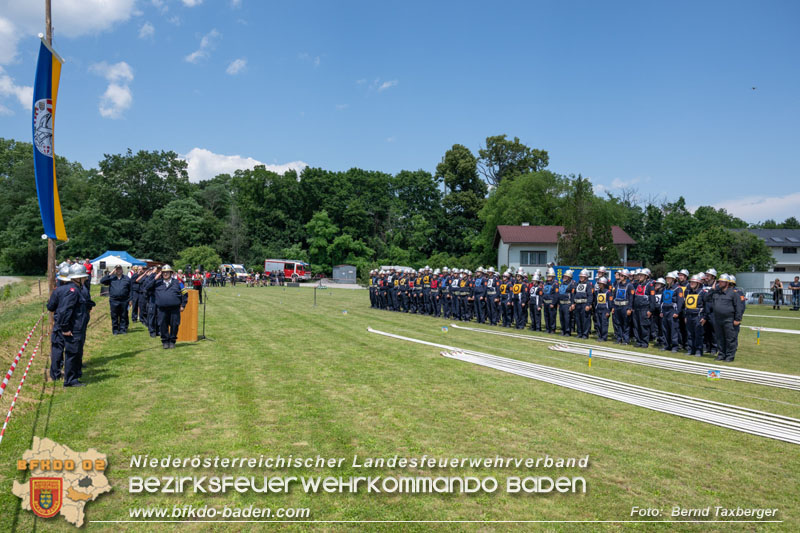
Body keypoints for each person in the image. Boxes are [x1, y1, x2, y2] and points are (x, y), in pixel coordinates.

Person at [60, 264, 91, 387]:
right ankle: (70, 380)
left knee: (77, 352)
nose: (85, 279)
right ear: (77, 278)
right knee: (72, 354)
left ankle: (75, 376)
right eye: (83, 277)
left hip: (79, 327)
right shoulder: (72, 291)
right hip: (73, 328)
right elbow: (65, 311)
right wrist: (65, 328)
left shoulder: (78, 290)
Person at [703, 273, 745, 362]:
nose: (720, 283)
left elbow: (738, 307)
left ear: (727, 283)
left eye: (722, 282)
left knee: (730, 338)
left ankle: (730, 356)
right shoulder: (716, 293)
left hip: (729, 319)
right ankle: (721, 354)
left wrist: (737, 319)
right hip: (718, 319)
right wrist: (712, 289)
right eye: (719, 282)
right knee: (720, 337)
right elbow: (706, 298)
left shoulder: (733, 294)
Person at [46, 264, 73, 380]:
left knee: (57, 348)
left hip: (59, 324)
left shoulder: (57, 291)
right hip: (73, 324)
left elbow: (51, 307)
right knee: (71, 350)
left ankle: (55, 374)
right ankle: (70, 373)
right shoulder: (77, 290)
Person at [154, 265, 188, 349]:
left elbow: (185, 293)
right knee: (163, 326)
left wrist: (183, 305)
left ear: (171, 273)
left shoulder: (178, 282)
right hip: (162, 309)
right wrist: (155, 278)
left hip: (174, 309)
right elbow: (146, 287)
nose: (165, 274)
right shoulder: (157, 283)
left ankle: (172, 341)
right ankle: (165, 341)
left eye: (167, 272)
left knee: (174, 325)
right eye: (164, 272)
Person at [100, 265, 132, 335]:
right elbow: (102, 281)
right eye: (117, 269)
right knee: (114, 316)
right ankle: (115, 330)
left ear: (122, 270)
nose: (118, 270)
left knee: (123, 315)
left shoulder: (127, 278)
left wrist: (130, 300)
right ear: (115, 270)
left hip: (124, 300)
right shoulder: (111, 278)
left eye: (120, 269)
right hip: (114, 300)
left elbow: (131, 290)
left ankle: (122, 329)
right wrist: (111, 273)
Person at [683, 274, 705, 356]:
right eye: (691, 282)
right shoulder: (688, 292)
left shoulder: (702, 293)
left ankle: (698, 350)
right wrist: (685, 316)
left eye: (693, 282)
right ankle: (690, 349)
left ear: (698, 283)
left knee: (698, 334)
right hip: (689, 315)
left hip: (697, 316)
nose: (691, 283)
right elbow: (686, 305)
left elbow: (706, 305)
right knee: (690, 334)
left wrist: (704, 317)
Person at [572, 269, 595, 339]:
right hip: (577, 304)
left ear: (586, 277)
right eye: (580, 276)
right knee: (578, 319)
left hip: (584, 304)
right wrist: (573, 303)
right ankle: (579, 333)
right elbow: (574, 294)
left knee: (585, 320)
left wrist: (588, 304)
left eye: (582, 276)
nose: (581, 277)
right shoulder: (577, 284)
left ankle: (585, 334)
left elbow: (590, 295)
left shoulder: (589, 284)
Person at [593, 276, 612, 341]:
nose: (599, 285)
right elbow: (595, 301)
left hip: (604, 310)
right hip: (598, 309)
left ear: (604, 284)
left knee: (604, 324)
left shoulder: (608, 292)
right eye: (599, 283)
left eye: (600, 284)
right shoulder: (597, 292)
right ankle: (599, 336)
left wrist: (608, 311)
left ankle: (604, 337)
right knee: (598, 324)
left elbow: (609, 302)